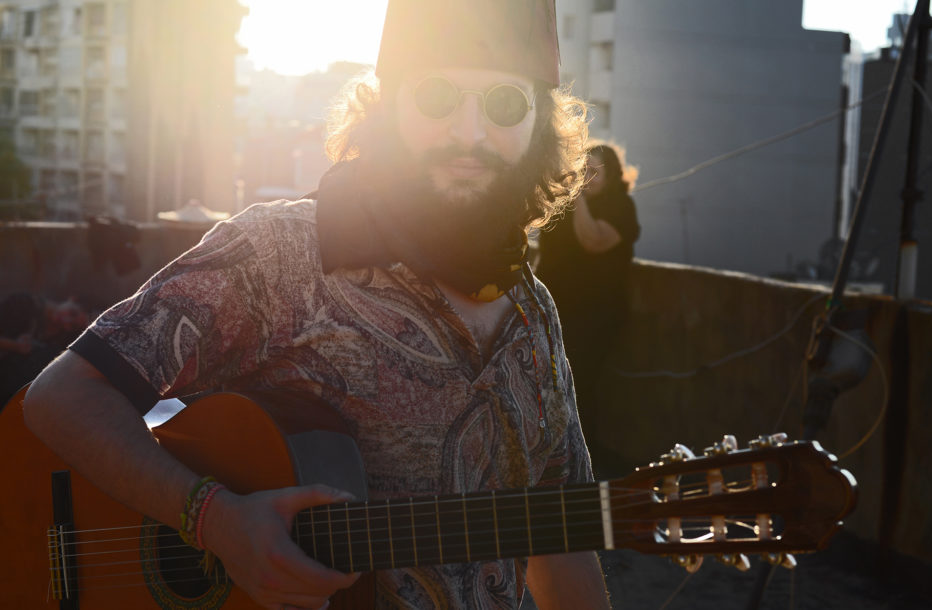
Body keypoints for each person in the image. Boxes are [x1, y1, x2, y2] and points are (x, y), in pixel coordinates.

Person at [23, 1, 611, 609]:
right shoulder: (277, 255)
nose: (468, 133)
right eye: (436, 96)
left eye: (505, 104)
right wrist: (215, 522)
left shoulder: (532, 314)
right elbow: (62, 397)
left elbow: (558, 536)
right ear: (387, 108)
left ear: (541, 124)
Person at [536, 142, 640, 421]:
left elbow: (592, 240)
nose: (586, 177)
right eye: (583, 170)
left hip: (596, 314)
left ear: (611, 176)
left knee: (581, 382)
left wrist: (578, 195)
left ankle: (584, 454)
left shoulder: (621, 207)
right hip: (556, 310)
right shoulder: (565, 204)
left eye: (593, 172)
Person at [0, 292, 89, 405]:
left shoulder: (58, 343)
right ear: (72, 299)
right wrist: (14, 345)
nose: (66, 321)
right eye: (72, 313)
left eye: (73, 326)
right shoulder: (23, 304)